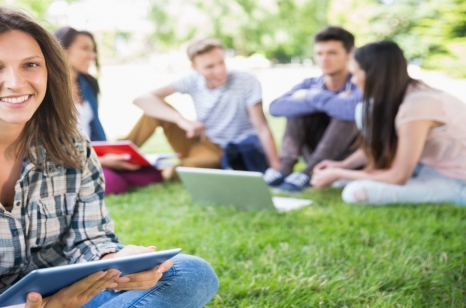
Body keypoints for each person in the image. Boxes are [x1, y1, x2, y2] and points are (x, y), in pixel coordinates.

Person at [0, 6, 219, 308]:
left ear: (49, 70)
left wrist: (117, 263)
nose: (16, 82)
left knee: (190, 273)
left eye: (30, 64)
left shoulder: (70, 144)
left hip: (57, 296)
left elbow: (89, 239)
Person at [311, 40, 466, 206]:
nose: (354, 81)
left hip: (457, 181)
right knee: (347, 181)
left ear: (374, 75)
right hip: (430, 169)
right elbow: (390, 143)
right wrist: (343, 165)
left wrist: (339, 173)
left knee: (355, 193)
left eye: (356, 74)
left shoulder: (417, 106)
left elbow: (398, 176)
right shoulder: (406, 94)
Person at [126, 38, 279, 176]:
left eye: (221, 63)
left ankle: (162, 171)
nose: (219, 70)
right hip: (196, 137)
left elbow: (262, 127)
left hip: (222, 149)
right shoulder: (193, 80)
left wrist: (276, 167)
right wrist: (181, 120)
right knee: (155, 111)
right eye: (210, 67)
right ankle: (120, 154)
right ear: (195, 67)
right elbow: (142, 99)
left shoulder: (246, 81)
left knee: (190, 169)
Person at [53, 27, 162, 195]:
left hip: (93, 151)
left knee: (151, 175)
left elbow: (95, 129)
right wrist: (102, 161)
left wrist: (108, 154)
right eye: (85, 48)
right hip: (66, 158)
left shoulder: (87, 83)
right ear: (63, 49)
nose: (93, 55)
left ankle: (107, 170)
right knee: (113, 185)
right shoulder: (48, 88)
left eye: (93, 50)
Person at [266, 26, 361, 192]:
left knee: (344, 114)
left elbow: (349, 110)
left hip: (351, 156)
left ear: (349, 54)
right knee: (296, 111)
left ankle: (309, 172)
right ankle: (285, 169)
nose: (324, 59)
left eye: (332, 53)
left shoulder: (360, 82)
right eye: (319, 53)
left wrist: (311, 96)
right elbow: (275, 107)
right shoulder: (310, 84)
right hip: (315, 149)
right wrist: (330, 101)